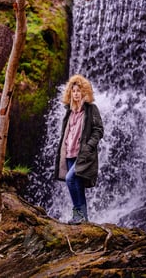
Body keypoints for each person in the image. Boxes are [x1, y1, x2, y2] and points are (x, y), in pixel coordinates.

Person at [54, 74, 104, 224]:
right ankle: (83, 218)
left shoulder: (91, 109)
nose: (76, 93)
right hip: (69, 153)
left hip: (82, 154)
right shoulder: (69, 111)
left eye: (78, 91)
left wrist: (89, 147)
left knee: (70, 179)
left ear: (84, 92)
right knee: (77, 185)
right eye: (73, 91)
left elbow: (99, 130)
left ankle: (78, 214)